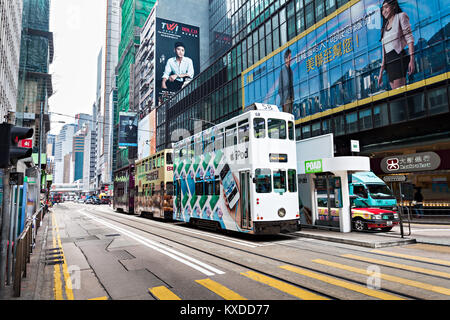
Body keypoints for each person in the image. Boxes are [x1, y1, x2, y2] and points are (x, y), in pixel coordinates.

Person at [378, 0, 415, 90]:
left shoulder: (401, 16)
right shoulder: (384, 27)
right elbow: (384, 52)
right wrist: (381, 73)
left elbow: (409, 39)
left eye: (386, 7)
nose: (384, 11)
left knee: (399, 93)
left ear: (394, 6)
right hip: (389, 63)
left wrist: (412, 60)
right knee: (396, 93)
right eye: (382, 9)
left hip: (399, 58)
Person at [278, 48, 294, 114]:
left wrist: (292, 97)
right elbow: (280, 89)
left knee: (290, 119)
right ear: (286, 59)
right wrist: (283, 100)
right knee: (286, 119)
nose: (290, 59)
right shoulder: (282, 71)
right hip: (285, 100)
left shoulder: (291, 71)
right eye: (289, 57)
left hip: (291, 99)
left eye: (291, 57)